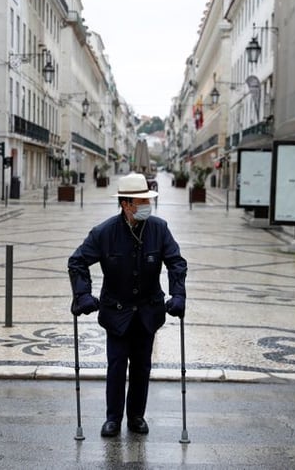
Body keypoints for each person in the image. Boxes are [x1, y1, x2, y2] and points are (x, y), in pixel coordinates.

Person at [68, 172, 187, 437]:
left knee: (142, 366)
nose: (147, 204)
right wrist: (83, 295)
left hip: (148, 311)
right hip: (116, 313)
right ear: (126, 204)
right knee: (117, 365)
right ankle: (113, 418)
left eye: (148, 199)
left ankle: (136, 416)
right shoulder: (104, 232)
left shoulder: (159, 228)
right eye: (141, 200)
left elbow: (176, 262)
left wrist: (178, 295)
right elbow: (77, 261)